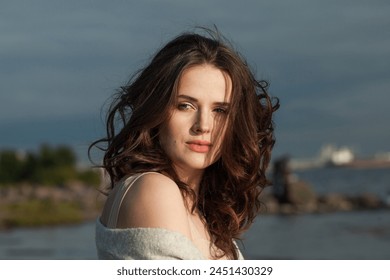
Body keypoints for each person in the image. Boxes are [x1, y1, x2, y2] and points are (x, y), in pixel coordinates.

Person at [90, 28, 279, 260]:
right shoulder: (155, 189)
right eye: (185, 105)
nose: (203, 125)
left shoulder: (201, 213)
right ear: (156, 109)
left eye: (220, 110)